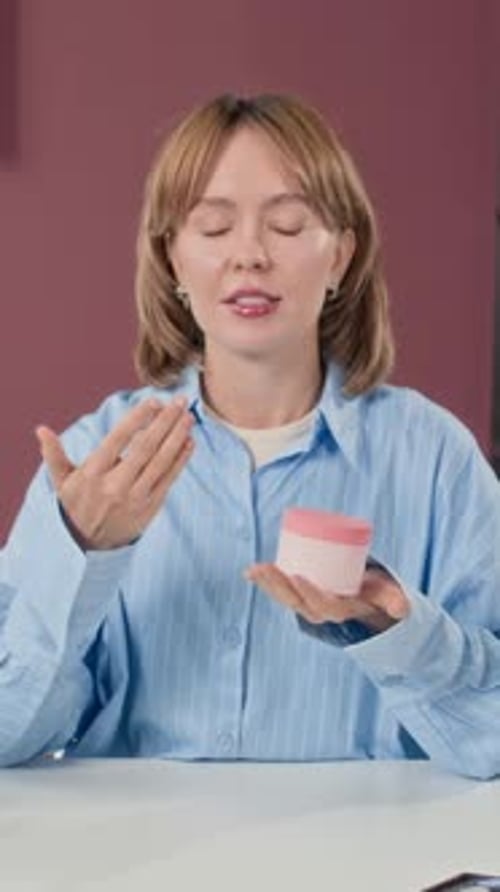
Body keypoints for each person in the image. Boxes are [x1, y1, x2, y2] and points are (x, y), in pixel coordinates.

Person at [1, 93, 499, 777]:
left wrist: (399, 631)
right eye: (211, 228)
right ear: (172, 259)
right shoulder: (99, 458)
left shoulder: (435, 459)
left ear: (341, 259)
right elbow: (7, 736)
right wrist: (83, 552)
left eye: (289, 225)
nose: (250, 256)